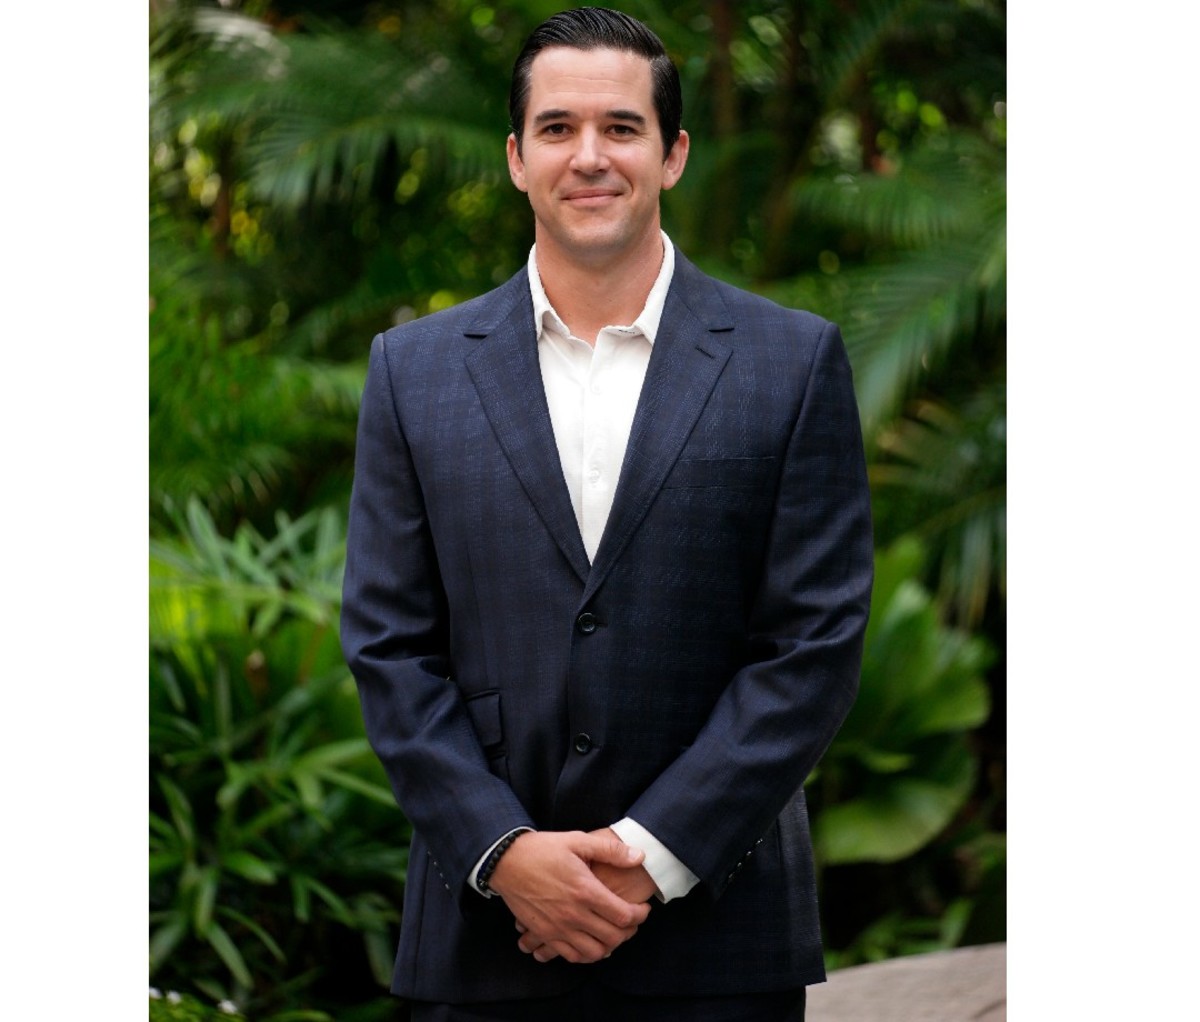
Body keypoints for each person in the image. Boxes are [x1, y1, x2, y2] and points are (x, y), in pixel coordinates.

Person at [340, 8, 873, 1020]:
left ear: (671, 154)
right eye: (557, 127)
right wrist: (505, 852)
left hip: (719, 937)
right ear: (515, 157)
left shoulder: (791, 363)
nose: (590, 156)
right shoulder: (411, 372)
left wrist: (651, 852)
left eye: (622, 127)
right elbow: (388, 642)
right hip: (481, 941)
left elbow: (815, 640)